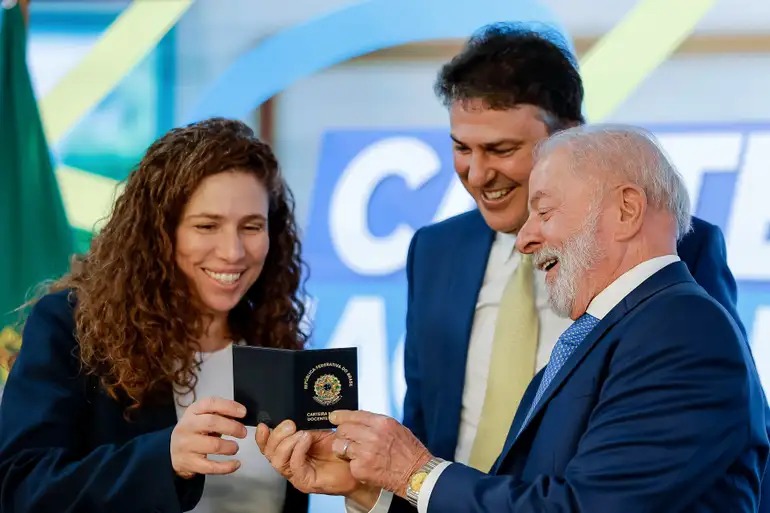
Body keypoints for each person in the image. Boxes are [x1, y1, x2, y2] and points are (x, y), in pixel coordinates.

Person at [258, 124, 769, 512]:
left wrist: (416, 472)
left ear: (626, 210)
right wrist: (374, 485)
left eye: (543, 212)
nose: (524, 239)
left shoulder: (682, 332)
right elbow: (531, 496)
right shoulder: (609, 332)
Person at [0, 118, 309, 513]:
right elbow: (21, 487)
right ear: (159, 233)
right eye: (207, 225)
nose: (233, 252)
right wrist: (165, 458)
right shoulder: (73, 329)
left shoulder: (275, 339)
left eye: (251, 226)